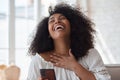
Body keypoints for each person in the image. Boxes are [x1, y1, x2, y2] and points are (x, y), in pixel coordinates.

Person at [27, 3, 111, 80]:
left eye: (62, 18)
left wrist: (74, 66)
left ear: (73, 27)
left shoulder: (90, 54)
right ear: (48, 33)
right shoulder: (38, 61)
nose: (57, 21)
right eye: (52, 20)